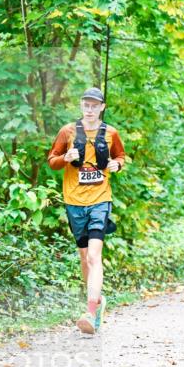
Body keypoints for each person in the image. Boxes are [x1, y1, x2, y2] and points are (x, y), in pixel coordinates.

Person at [47, 87, 127, 335]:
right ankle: (97, 302)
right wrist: (65, 158)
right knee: (84, 259)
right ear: (81, 106)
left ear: (102, 107)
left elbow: (121, 156)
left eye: (94, 105)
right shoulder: (67, 132)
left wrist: (117, 165)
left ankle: (90, 313)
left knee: (94, 257)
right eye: (86, 105)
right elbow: (52, 161)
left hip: (100, 200)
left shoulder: (111, 132)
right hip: (74, 201)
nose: (90, 109)